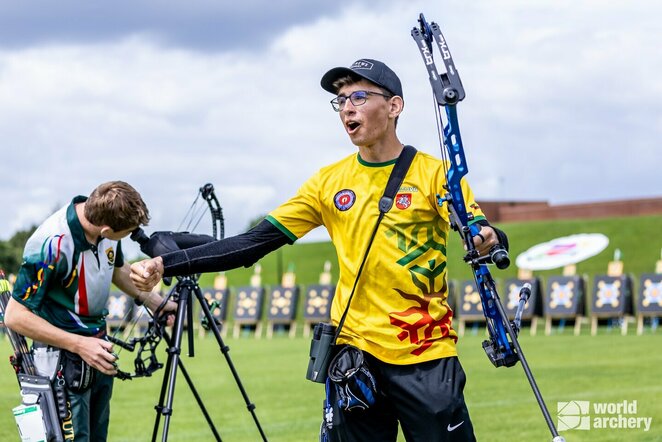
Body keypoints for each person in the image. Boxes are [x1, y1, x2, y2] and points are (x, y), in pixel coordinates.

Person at [130, 59, 509, 441]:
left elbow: (479, 229)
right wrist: (167, 263)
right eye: (341, 100)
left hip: (425, 355)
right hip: (355, 355)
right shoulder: (328, 183)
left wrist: (487, 238)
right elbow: (250, 245)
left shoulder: (434, 173)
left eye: (359, 96)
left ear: (394, 106)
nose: (347, 107)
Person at [5, 180, 177, 442]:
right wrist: (79, 345)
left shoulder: (102, 228)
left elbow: (116, 267)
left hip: (98, 352)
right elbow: (15, 316)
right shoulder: (49, 243)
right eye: (127, 232)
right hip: (61, 363)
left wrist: (155, 302)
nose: (131, 236)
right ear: (107, 229)